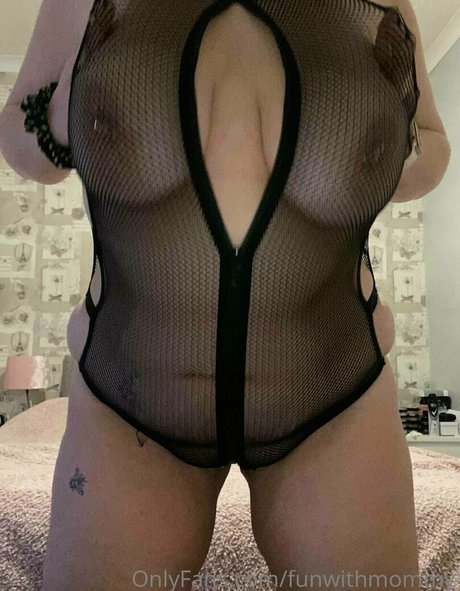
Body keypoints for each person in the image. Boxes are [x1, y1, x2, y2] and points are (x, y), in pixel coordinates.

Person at [0, 0, 451, 589]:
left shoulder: (376, 3)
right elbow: (20, 135)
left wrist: (385, 143)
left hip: (332, 395)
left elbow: (432, 144)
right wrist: (66, 115)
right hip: (129, 399)